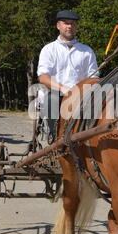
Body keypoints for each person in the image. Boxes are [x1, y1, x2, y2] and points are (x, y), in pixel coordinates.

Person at [37, 9, 99, 139]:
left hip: (82, 96)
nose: (69, 26)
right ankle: (55, 139)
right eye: (66, 23)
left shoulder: (86, 51)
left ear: (76, 26)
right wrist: (63, 88)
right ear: (58, 25)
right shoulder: (49, 49)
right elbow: (43, 77)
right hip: (56, 94)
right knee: (51, 100)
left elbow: (94, 77)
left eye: (73, 23)